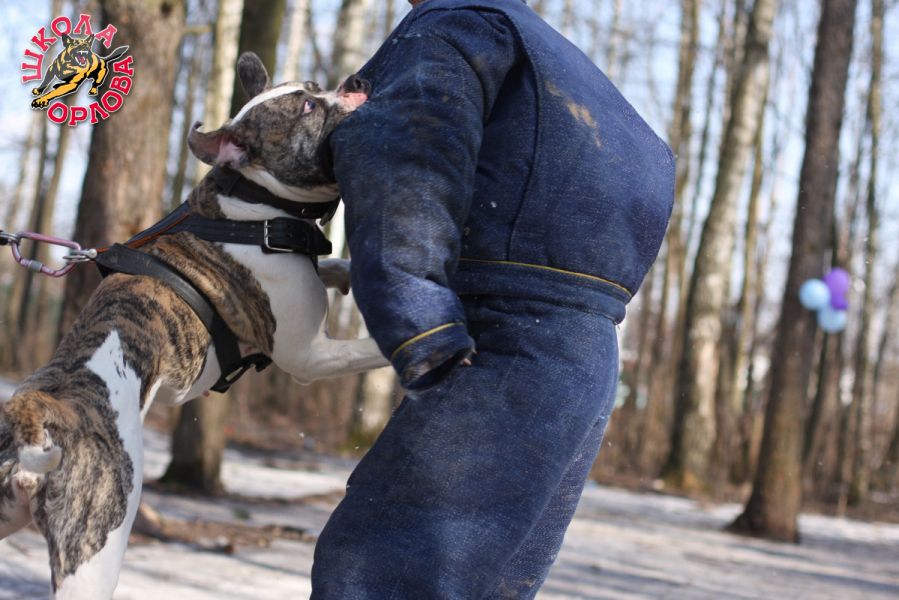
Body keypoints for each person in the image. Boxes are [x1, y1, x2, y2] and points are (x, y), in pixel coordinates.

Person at [312, 0, 674, 597]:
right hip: (583, 359)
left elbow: (410, 160)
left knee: (380, 575)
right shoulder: (560, 60)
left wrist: (420, 323)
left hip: (501, 340)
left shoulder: (456, 25)